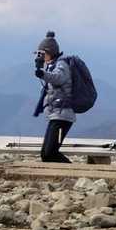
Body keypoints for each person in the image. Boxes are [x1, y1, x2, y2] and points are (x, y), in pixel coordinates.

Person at [33, 31, 74, 163]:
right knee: (45, 154)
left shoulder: (61, 64)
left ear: (49, 52)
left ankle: (74, 172)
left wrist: (43, 74)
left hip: (63, 116)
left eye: (42, 53)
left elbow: (58, 78)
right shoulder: (51, 66)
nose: (40, 56)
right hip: (56, 115)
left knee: (50, 154)